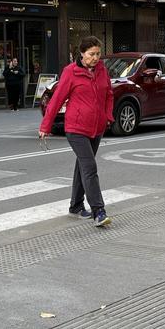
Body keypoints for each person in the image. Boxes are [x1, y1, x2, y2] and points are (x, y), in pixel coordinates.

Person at [39, 35, 114, 228]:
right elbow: (56, 100)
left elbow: (109, 95)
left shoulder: (102, 71)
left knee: (83, 165)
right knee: (90, 167)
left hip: (96, 127)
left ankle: (75, 206)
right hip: (76, 128)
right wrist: (46, 126)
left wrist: (108, 116)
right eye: (91, 54)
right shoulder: (70, 72)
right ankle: (99, 211)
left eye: (98, 54)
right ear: (82, 54)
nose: (96, 58)